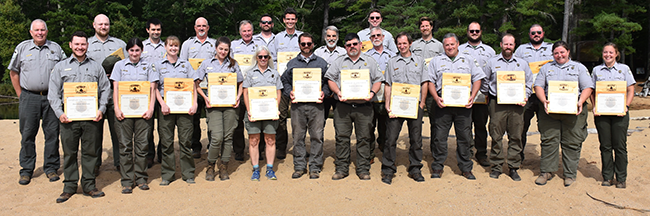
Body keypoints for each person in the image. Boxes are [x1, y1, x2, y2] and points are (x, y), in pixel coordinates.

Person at [49, 31, 110, 203]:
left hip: (91, 119)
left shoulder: (97, 67)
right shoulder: (60, 67)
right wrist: (59, 114)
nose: (80, 47)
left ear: (87, 45)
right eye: (76, 44)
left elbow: (105, 89)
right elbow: (53, 94)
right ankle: (69, 186)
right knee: (69, 153)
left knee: (90, 153)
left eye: (83, 44)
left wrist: (101, 109)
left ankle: (89, 186)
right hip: (68, 119)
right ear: (70, 45)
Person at [9, 19, 66, 185]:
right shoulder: (22, 48)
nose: (40, 33)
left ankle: (51, 168)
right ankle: (26, 170)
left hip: (51, 97)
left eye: (42, 30)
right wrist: (21, 95)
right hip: (29, 97)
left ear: (47, 31)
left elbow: (66, 70)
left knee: (52, 134)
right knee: (27, 134)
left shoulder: (56, 48)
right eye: (37, 30)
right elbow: (14, 73)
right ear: (31, 32)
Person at [533, 41, 593, 187]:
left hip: (574, 111)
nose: (559, 55)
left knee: (572, 142)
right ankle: (547, 171)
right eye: (556, 53)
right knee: (548, 140)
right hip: (550, 112)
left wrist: (581, 101)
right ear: (553, 54)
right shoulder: (546, 68)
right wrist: (543, 100)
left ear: (568, 52)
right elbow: (538, 85)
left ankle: (570, 174)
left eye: (562, 52)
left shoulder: (579, 67)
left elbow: (588, 87)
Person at [325, 33, 384, 180]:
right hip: (343, 106)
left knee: (364, 137)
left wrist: (372, 93)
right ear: (345, 47)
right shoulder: (338, 61)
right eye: (349, 45)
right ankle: (341, 168)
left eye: (354, 44)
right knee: (342, 137)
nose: (352, 47)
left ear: (360, 44)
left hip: (364, 106)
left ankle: (363, 168)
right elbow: (330, 79)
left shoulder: (370, 61)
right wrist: (337, 91)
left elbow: (378, 79)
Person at [427, 33, 485, 180]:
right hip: (443, 104)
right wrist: (436, 97)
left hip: (463, 106)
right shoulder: (436, 61)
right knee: (440, 137)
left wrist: (473, 95)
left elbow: (478, 78)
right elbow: (430, 82)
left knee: (464, 137)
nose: (450, 47)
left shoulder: (469, 60)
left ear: (458, 44)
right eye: (447, 45)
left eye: (452, 44)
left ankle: (466, 167)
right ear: (443, 46)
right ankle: (438, 166)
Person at [110, 37, 158, 193]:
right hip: (124, 112)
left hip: (143, 112)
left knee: (142, 147)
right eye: (131, 50)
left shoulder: (149, 66)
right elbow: (115, 88)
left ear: (141, 51)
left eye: (137, 50)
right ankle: (127, 181)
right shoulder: (119, 65)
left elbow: (152, 88)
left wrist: (151, 108)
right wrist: (116, 108)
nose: (135, 53)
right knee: (125, 147)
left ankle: (142, 178)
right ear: (127, 51)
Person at [381, 32, 429, 184]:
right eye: (399, 44)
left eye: (404, 43)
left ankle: (415, 168)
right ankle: (388, 170)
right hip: (396, 106)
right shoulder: (392, 61)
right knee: (391, 139)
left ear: (410, 43)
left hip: (415, 106)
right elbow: (388, 84)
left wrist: (422, 103)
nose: (402, 46)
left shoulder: (420, 61)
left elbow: (425, 83)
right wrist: (387, 104)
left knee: (416, 139)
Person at [484, 34, 533, 181]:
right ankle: (497, 166)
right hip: (497, 103)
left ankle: (513, 167)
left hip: (516, 105)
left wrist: (525, 96)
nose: (508, 47)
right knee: (496, 135)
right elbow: (485, 82)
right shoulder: (492, 62)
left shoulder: (522, 63)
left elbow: (529, 82)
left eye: (511, 44)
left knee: (516, 135)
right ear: (501, 45)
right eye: (505, 44)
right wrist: (493, 95)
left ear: (514, 45)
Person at [280, 33, 329, 179]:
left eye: (309, 43)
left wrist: (324, 93)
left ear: (313, 44)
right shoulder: (292, 63)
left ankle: (315, 166)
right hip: (298, 106)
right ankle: (300, 166)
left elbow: (328, 82)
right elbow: (285, 81)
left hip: (317, 106)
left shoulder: (321, 63)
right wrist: (290, 93)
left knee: (317, 136)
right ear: (299, 45)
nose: (306, 46)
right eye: (303, 44)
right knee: (298, 137)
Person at [196, 37, 244, 181]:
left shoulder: (234, 64)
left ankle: (224, 166)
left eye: (226, 49)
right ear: (216, 48)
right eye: (221, 49)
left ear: (229, 50)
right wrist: (205, 98)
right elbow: (196, 83)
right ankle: (210, 165)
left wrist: (238, 97)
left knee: (228, 137)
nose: (223, 52)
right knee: (216, 138)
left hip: (230, 106)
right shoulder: (206, 63)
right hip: (213, 107)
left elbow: (241, 83)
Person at [154, 36, 199, 186]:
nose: (173, 49)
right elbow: (154, 88)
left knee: (185, 141)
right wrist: (162, 104)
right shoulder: (158, 65)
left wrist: (194, 104)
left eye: (176, 46)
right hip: (166, 108)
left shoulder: (186, 65)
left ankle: (188, 174)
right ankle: (168, 174)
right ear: (165, 47)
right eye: (170, 46)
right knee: (166, 142)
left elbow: (193, 86)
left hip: (185, 109)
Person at [87, 14, 128, 175]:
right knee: (94, 132)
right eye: (100, 24)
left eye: (106, 24)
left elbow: (127, 65)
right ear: (94, 25)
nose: (103, 27)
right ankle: (95, 163)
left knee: (118, 129)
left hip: (114, 93)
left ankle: (119, 162)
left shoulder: (120, 44)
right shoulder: (87, 44)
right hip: (94, 94)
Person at [591, 43, 635, 189]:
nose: (608, 55)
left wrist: (626, 106)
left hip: (620, 114)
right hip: (602, 114)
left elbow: (631, 89)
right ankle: (607, 177)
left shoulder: (624, 69)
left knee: (620, 146)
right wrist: (595, 106)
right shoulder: (597, 70)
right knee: (605, 146)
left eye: (611, 52)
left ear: (616, 54)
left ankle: (621, 178)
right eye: (605, 52)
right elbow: (592, 90)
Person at [242, 46, 283, 181]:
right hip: (254, 112)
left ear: (269, 58)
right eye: (260, 57)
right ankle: (255, 169)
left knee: (270, 139)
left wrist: (275, 108)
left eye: (266, 57)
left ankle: (270, 169)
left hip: (270, 113)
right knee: (254, 140)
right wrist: (249, 110)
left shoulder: (274, 73)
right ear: (256, 58)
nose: (263, 59)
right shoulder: (249, 73)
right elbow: (246, 92)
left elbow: (278, 91)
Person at [458, 22, 496, 167]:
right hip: (463, 94)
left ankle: (481, 154)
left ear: (481, 32)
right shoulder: (459, 49)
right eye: (471, 30)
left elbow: (492, 73)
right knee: (465, 126)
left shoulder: (490, 51)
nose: (474, 33)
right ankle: (466, 153)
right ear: (467, 32)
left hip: (482, 94)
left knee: (480, 125)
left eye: (477, 31)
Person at [514, 24, 554, 162]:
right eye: (533, 33)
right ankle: (518, 156)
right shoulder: (521, 50)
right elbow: (515, 67)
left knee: (547, 128)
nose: (536, 35)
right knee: (521, 127)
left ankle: (547, 160)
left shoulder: (552, 48)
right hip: (527, 95)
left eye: (538, 32)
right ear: (529, 35)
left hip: (546, 95)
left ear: (543, 33)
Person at [180, 17, 218, 159]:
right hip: (193, 89)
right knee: (193, 119)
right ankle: (195, 147)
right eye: (199, 26)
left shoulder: (214, 44)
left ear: (208, 28)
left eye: (204, 26)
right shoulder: (187, 44)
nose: (201, 28)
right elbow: (182, 66)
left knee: (211, 119)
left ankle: (212, 146)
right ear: (195, 28)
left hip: (210, 88)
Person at [274, 7, 303, 160]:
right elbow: (272, 59)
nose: (290, 21)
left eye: (293, 19)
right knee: (281, 116)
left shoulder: (302, 37)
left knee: (302, 116)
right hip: (283, 83)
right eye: (288, 19)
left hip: (301, 84)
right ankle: (281, 147)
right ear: (284, 20)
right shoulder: (277, 38)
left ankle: (301, 147)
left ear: (296, 20)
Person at [411, 17, 443, 149]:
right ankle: (416, 148)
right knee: (415, 121)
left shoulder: (439, 45)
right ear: (420, 28)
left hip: (433, 87)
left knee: (435, 121)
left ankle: (434, 149)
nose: (425, 28)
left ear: (431, 27)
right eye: (422, 26)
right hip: (416, 87)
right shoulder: (414, 45)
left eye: (427, 26)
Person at [231, 20, 260, 161]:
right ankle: (238, 150)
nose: (247, 33)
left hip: (254, 86)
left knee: (255, 118)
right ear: (240, 32)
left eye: (249, 30)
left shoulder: (259, 45)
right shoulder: (233, 45)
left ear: (252, 31)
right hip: (237, 87)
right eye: (244, 31)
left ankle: (259, 149)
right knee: (237, 121)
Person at [365, 27, 393, 163]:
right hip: (371, 97)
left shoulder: (393, 55)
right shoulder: (366, 56)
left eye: (378, 35)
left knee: (386, 126)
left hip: (387, 96)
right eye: (373, 36)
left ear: (383, 37)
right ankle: (370, 153)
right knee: (369, 126)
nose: (376, 38)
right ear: (370, 39)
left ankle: (384, 149)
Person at [142, 18, 164, 168]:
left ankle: (163, 153)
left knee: (164, 124)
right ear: (147, 30)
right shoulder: (141, 47)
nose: (156, 32)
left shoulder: (167, 46)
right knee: (147, 124)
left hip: (163, 90)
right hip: (146, 91)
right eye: (153, 29)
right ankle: (149, 154)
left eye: (158, 29)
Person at [313, 25, 345, 126]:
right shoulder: (318, 52)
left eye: (334, 36)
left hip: (339, 92)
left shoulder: (344, 52)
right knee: (320, 121)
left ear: (338, 37)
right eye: (329, 36)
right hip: (323, 91)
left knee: (341, 122)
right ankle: (319, 141)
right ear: (325, 37)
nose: (331, 39)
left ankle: (340, 142)